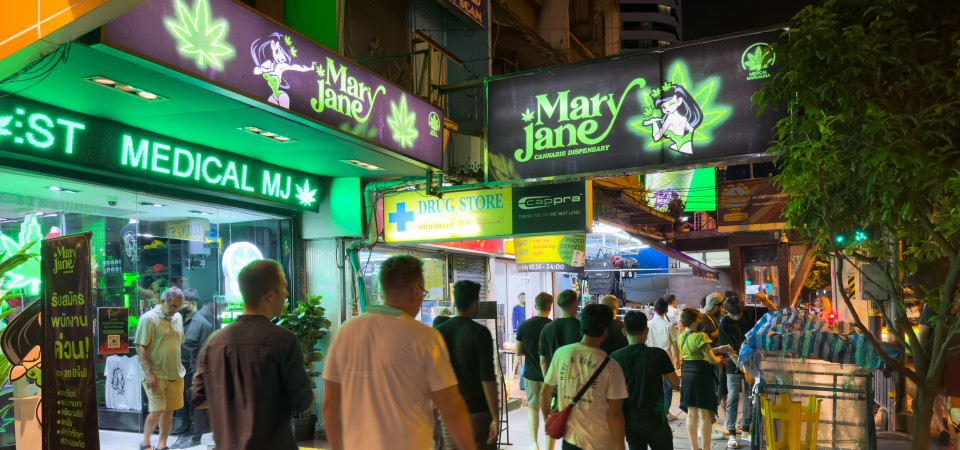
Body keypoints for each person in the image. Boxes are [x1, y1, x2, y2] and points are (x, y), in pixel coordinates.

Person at [322, 255, 476, 450]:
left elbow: (330, 404)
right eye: (423, 291)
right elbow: (451, 409)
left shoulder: (347, 331)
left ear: (382, 289)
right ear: (415, 292)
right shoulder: (425, 337)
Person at [191, 260, 312, 450]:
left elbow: (199, 398)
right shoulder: (283, 341)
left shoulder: (214, 342)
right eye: (283, 288)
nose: (287, 294)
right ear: (270, 295)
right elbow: (303, 400)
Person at [540, 304, 628, 450]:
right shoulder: (612, 367)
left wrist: (548, 420)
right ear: (605, 331)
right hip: (601, 442)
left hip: (570, 442)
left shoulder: (562, 353)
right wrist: (620, 447)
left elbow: (544, 393)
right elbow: (615, 415)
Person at [436, 280, 499, 449]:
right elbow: (487, 379)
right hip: (477, 414)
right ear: (474, 304)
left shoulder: (438, 332)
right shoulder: (480, 333)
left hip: (449, 414)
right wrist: (495, 417)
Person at [611, 311, 681, 450]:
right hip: (656, 418)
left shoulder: (615, 357)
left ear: (624, 332)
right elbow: (675, 383)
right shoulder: (658, 354)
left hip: (630, 419)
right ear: (646, 330)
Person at [136, 287, 185, 450]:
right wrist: (148, 373)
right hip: (155, 374)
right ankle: (145, 442)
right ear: (162, 301)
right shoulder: (148, 319)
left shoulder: (178, 317)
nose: (175, 310)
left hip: (175, 373)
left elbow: (178, 344)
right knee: (157, 410)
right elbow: (140, 348)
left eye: (178, 306)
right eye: (172, 306)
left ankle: (162, 444)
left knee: (169, 410)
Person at [538, 289, 582, 450]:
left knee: (554, 425)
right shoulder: (581, 327)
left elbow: (543, 361)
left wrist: (549, 384)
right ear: (574, 304)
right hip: (577, 388)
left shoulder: (547, 329)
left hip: (556, 388)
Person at [171, 289, 214, 449]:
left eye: (185, 302)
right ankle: (185, 432)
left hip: (193, 371)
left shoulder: (203, 324)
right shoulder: (180, 320)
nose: (181, 305)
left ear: (193, 302)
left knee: (194, 404)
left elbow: (204, 352)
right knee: (182, 404)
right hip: (179, 370)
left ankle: (195, 437)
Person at [679, 308, 726, 450]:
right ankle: (706, 448)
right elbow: (712, 360)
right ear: (694, 321)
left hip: (686, 374)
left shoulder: (682, 336)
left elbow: (693, 353)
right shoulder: (701, 337)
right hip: (701, 375)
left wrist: (716, 352)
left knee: (692, 414)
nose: (700, 321)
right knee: (705, 413)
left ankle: (694, 447)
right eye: (699, 319)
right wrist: (720, 359)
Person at [516, 292, 554, 450]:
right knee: (549, 413)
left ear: (535, 306)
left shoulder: (524, 325)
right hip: (549, 376)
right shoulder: (552, 326)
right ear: (549, 307)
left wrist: (531, 353)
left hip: (530, 373)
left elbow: (518, 351)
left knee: (533, 408)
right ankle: (549, 447)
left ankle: (533, 443)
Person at [718, 294, 755, 449]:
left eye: (739, 314)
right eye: (734, 315)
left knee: (749, 395)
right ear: (727, 312)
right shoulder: (724, 323)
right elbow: (727, 349)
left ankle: (746, 429)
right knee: (733, 395)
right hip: (733, 363)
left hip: (752, 361)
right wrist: (741, 366)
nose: (737, 317)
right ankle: (732, 432)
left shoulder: (749, 313)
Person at [647, 298, 680, 421]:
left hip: (650, 359)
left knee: (653, 387)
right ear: (666, 311)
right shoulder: (669, 325)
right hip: (666, 359)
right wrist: (678, 361)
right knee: (667, 388)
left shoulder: (647, 324)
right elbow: (675, 345)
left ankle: (655, 412)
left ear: (654, 309)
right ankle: (665, 412)